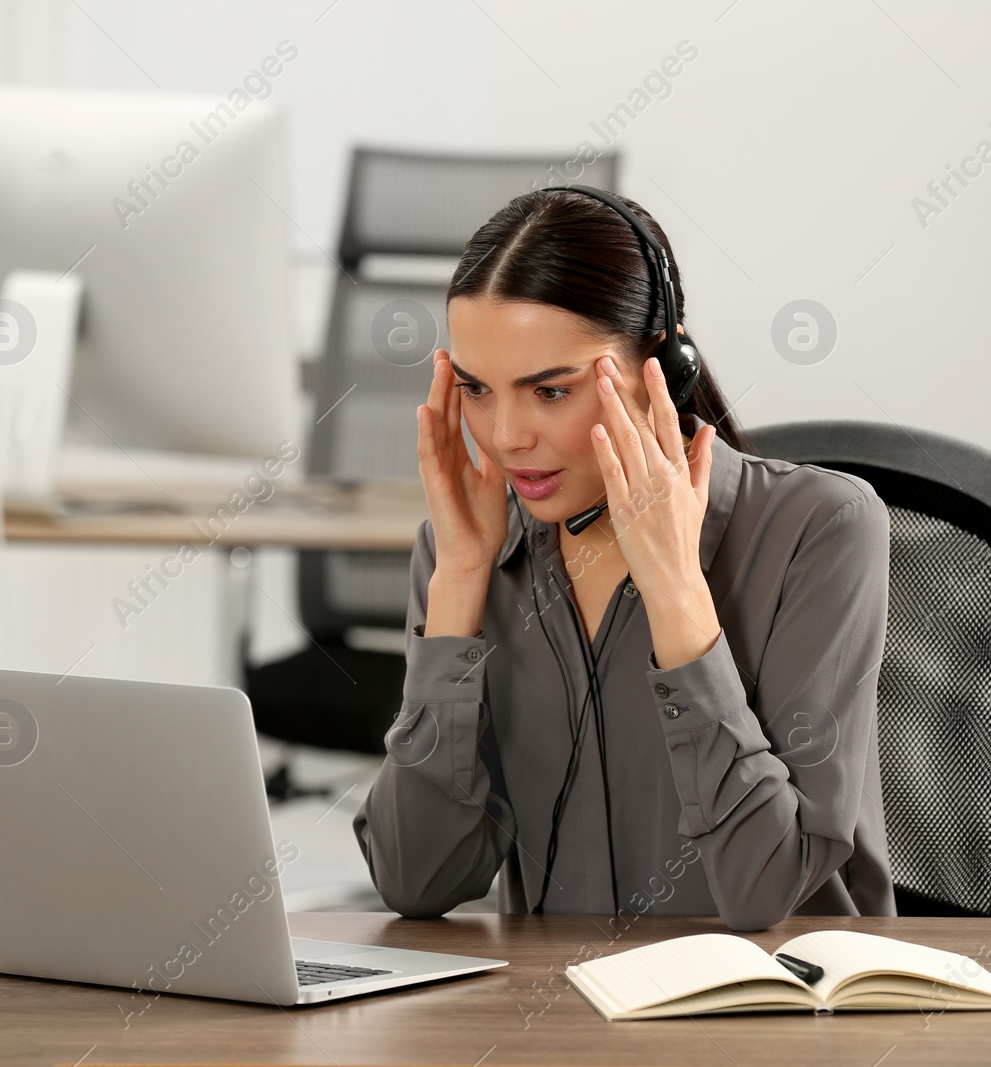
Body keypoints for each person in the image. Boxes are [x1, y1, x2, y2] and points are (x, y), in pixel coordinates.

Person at [352, 187, 895, 931]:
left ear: (662, 368)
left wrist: (676, 591)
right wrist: (462, 583)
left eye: (550, 390)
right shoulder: (465, 553)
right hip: (554, 1031)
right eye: (477, 389)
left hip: (773, 1021)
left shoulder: (821, 529)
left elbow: (764, 888)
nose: (506, 435)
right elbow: (417, 880)